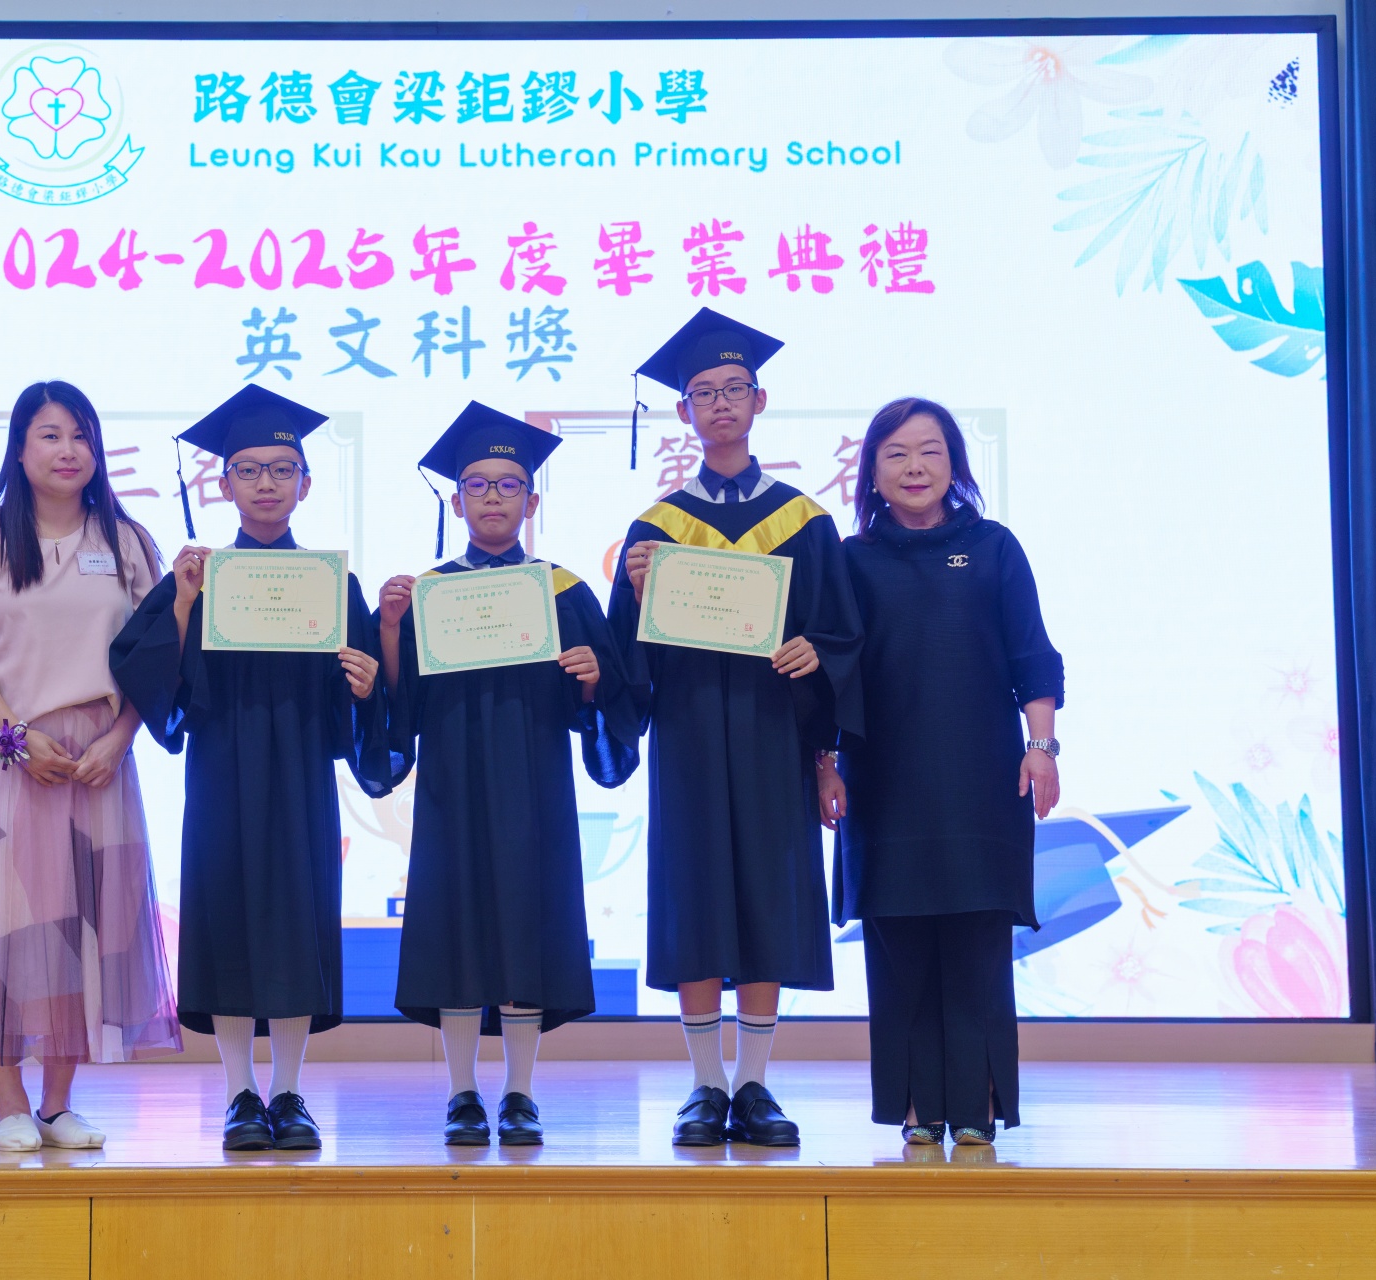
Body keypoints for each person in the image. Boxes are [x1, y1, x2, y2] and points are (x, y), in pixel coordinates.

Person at [109, 384, 395, 1153]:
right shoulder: (201, 578)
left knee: (297, 920)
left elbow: (358, 707)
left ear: (306, 483)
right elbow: (143, 671)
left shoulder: (334, 584)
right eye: (248, 469)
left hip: (300, 775)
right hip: (223, 775)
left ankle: (290, 1092)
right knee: (228, 918)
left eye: (281, 469)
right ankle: (240, 1093)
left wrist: (365, 685)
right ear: (224, 483)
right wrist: (181, 604)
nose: (265, 483)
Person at [608, 308, 865, 1148]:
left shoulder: (805, 522)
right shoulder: (656, 530)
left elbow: (841, 636)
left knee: (765, 898)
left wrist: (817, 666)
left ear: (759, 401)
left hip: (772, 735)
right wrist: (639, 595)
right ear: (683, 411)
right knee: (695, 898)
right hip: (687, 737)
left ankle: (753, 1085)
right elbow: (625, 660)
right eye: (703, 393)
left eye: (734, 389)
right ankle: (704, 1085)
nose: (720, 403)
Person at [376, 403, 644, 1147]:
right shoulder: (430, 591)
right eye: (477, 485)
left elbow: (608, 700)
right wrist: (391, 630)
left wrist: (592, 679)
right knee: (456, 926)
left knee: (528, 922)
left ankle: (520, 1092)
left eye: (508, 485)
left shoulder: (563, 590)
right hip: (454, 785)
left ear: (531, 501)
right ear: (456, 500)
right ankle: (462, 1093)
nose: (492, 497)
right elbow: (404, 705)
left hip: (534, 784)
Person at [0, 379, 179, 1153]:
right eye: (51, 434)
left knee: (85, 927)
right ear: (20, 447)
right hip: (9, 758)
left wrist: (121, 739)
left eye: (81, 435)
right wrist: (14, 736)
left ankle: (59, 1104)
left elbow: (155, 655)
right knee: (2, 929)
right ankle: (9, 1101)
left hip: (96, 761)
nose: (69, 450)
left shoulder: (127, 541)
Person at [821, 396, 1063, 1148]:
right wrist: (823, 762)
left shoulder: (994, 548)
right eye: (895, 454)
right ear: (872, 473)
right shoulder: (850, 560)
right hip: (882, 781)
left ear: (955, 463)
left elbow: (1032, 655)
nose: (914, 467)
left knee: (977, 944)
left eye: (930, 450)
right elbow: (830, 673)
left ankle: (978, 1106)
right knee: (899, 947)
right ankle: (917, 1107)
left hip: (981, 778)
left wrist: (1043, 744)